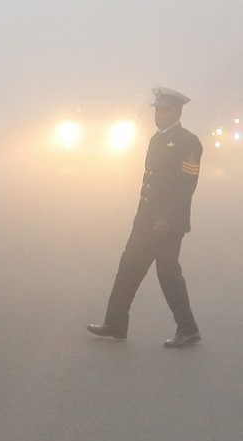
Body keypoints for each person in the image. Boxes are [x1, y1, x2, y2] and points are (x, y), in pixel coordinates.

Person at [88, 87, 202, 347]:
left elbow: (186, 186)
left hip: (168, 224)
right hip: (145, 220)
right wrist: (142, 218)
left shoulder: (188, 142)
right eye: (157, 110)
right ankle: (115, 322)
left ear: (178, 112)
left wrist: (167, 219)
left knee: (168, 274)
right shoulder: (155, 140)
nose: (158, 114)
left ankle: (188, 329)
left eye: (164, 110)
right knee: (128, 268)